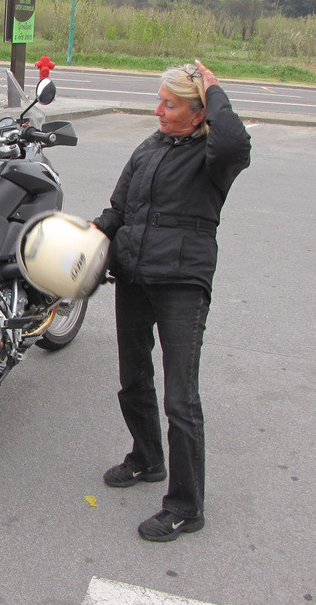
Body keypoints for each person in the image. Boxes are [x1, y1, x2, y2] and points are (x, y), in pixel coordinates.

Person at [92, 60, 251, 542]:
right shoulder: (150, 147)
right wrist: (88, 239)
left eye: (170, 103)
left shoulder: (212, 157)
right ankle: (147, 458)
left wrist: (216, 88)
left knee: (181, 398)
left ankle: (186, 506)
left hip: (182, 282)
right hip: (135, 276)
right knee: (132, 378)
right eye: (159, 100)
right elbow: (119, 209)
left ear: (199, 112)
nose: (157, 110)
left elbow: (236, 143)